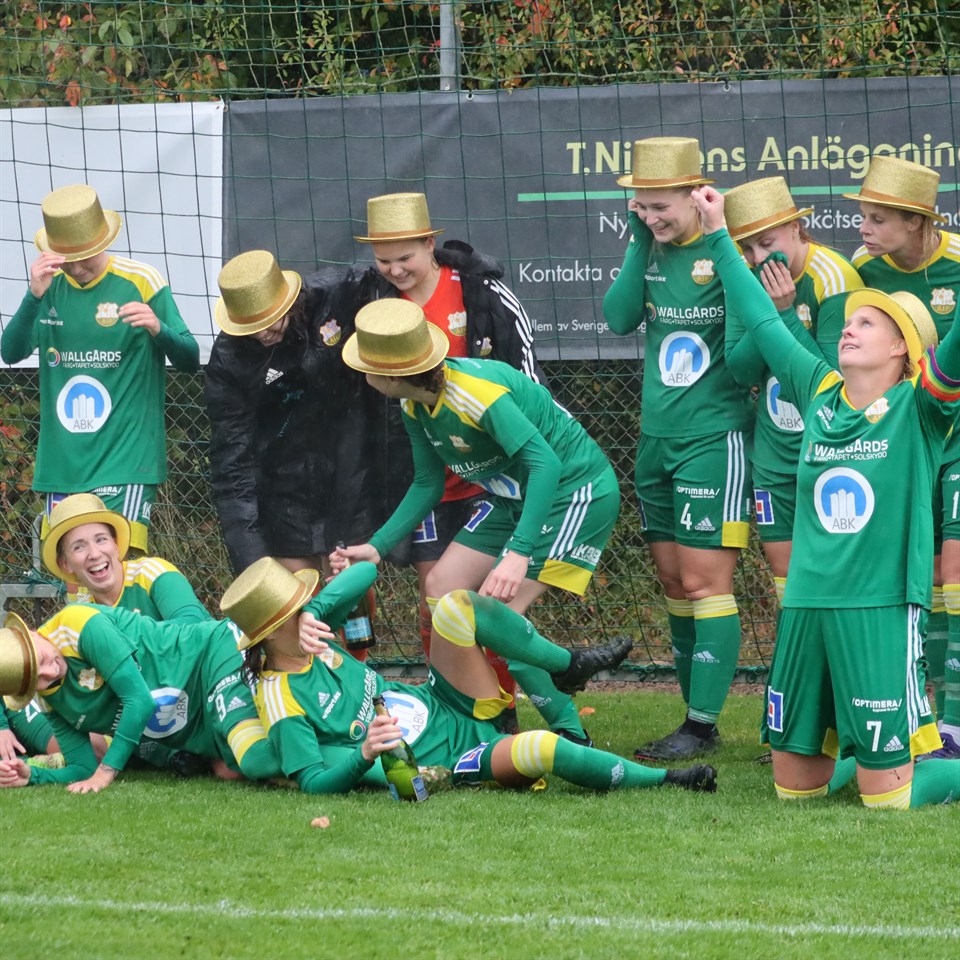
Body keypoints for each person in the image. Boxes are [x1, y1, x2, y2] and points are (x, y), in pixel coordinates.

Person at [692, 182, 960, 809]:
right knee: (795, 790)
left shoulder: (923, 409)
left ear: (902, 347)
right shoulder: (818, 391)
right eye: (848, 321)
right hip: (807, 608)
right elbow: (763, 319)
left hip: (878, 609)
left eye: (868, 323)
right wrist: (716, 232)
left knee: (888, 800)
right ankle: (855, 760)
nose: (848, 329)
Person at [335, 298, 623, 743]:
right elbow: (428, 483)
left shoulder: (475, 394)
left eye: (366, 367)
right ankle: (487, 718)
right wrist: (377, 546)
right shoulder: (414, 403)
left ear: (392, 375)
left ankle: (570, 735)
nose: (361, 374)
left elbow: (545, 464)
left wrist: (518, 553)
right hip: (513, 496)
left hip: (573, 492)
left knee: (500, 617)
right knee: (440, 586)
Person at [221, 556, 716, 796]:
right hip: (454, 759)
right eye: (297, 609)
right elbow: (312, 781)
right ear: (271, 632)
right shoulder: (280, 698)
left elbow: (366, 571)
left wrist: (317, 609)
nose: (308, 612)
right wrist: (365, 755)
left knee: (455, 606)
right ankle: (668, 780)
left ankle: (569, 665)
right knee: (543, 748)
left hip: (449, 701)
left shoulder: (313, 634)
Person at [354, 192, 545, 718]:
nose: (395, 270)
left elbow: (527, 383)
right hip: (429, 478)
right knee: (435, 598)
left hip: (493, 479)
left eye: (405, 257)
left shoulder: (481, 292)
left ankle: (503, 711)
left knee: (491, 602)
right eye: (383, 260)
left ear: (429, 243)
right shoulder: (375, 303)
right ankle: (455, 711)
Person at [602, 137, 753, 760]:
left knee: (702, 581)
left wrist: (719, 241)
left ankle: (700, 723)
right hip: (655, 441)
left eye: (660, 206)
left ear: (697, 197)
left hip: (713, 440)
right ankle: (696, 722)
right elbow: (617, 319)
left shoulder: (725, 251)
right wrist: (639, 241)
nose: (651, 216)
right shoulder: (649, 250)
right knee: (672, 579)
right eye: (641, 206)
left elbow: (746, 356)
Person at [722, 177, 864, 759]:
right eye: (748, 248)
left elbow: (834, 381)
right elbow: (738, 368)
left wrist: (782, 317)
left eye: (768, 242)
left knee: (835, 593)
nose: (761, 257)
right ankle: (797, 726)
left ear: (797, 228)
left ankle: (844, 720)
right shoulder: (746, 278)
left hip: (833, 460)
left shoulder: (835, 278)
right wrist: (768, 313)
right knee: (792, 597)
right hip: (776, 459)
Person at [0, 184, 200, 553]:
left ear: (102, 242)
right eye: (67, 259)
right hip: (63, 466)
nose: (77, 268)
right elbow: (10, 352)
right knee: (73, 575)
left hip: (126, 462)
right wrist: (33, 294)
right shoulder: (49, 287)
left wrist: (159, 329)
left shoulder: (142, 281)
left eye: (85, 258)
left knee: (116, 567)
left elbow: (190, 359)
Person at [205, 250, 408, 593]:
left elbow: (398, 273)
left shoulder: (337, 295)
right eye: (253, 327)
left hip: (351, 465)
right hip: (282, 486)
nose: (266, 332)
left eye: (272, 319)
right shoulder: (228, 359)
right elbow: (231, 461)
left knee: (350, 594)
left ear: (289, 301)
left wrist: (463, 266)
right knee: (297, 597)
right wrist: (252, 564)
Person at [845, 156, 960, 760]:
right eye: (863, 216)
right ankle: (929, 722)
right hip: (906, 446)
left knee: (956, 580)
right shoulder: (866, 270)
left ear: (917, 222)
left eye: (878, 219)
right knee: (923, 578)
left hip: (957, 437)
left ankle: (956, 728)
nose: (864, 229)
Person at [0, 599, 281, 793]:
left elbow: (140, 700)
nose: (49, 673)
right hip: (192, 720)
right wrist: (32, 775)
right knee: (232, 772)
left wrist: (107, 771)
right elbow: (82, 768)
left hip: (211, 656)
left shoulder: (77, 624)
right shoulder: (48, 699)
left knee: (255, 757)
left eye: (41, 659)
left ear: (33, 634)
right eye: (36, 680)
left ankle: (306, 755)